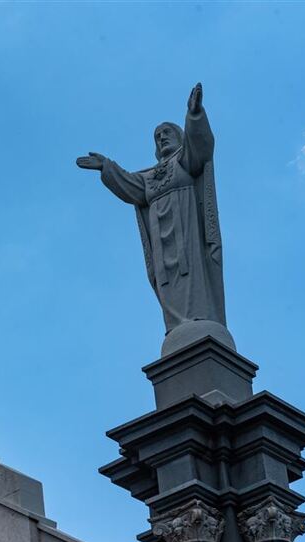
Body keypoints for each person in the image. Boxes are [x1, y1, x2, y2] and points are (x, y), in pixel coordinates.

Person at [77, 83, 228, 346]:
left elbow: (201, 148)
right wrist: (107, 167)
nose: (162, 138)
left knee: (192, 275)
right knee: (167, 284)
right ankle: (176, 326)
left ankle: (200, 319)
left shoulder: (184, 161)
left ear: (180, 137)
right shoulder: (148, 177)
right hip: (162, 243)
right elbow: (129, 186)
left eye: (167, 132)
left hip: (188, 234)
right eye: (157, 136)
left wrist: (194, 115)